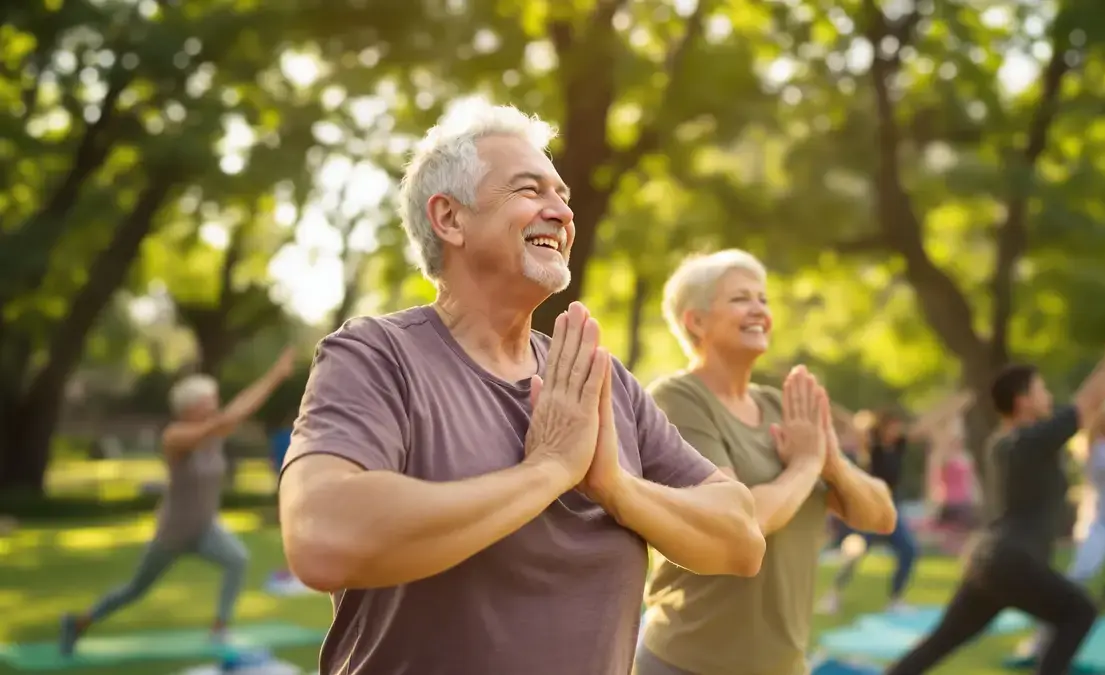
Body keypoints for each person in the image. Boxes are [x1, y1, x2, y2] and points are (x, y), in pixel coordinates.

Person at [277, 103, 764, 675]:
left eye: (563, 197)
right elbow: (324, 536)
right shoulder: (377, 356)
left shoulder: (596, 378)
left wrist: (615, 488)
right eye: (530, 190)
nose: (560, 212)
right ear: (450, 219)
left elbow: (741, 537)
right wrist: (549, 470)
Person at [635, 250, 896, 675]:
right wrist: (806, 466)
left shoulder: (782, 406)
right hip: (688, 663)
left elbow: (881, 516)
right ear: (695, 321)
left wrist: (833, 465)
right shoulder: (676, 400)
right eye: (741, 299)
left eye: (764, 299)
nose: (759, 308)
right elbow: (741, 523)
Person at [883, 318, 1105, 675]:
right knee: (1079, 612)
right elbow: (1090, 401)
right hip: (1010, 560)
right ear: (1023, 401)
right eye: (1042, 390)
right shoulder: (1030, 441)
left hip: (988, 560)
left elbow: (1091, 403)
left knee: (941, 642)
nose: (1049, 397)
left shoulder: (1003, 444)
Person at [59, 349, 296, 655]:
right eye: (209, 399)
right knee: (135, 590)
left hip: (206, 528)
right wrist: (255, 393)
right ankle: (78, 622)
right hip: (173, 531)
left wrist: (276, 375)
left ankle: (220, 627)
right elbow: (230, 416)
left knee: (238, 560)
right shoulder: (175, 436)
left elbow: (237, 410)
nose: (216, 402)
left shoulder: (215, 430)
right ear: (193, 406)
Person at [820, 393, 973, 614]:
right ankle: (833, 595)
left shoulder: (900, 443)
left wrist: (952, 407)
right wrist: (822, 399)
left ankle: (895, 599)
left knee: (909, 550)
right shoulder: (871, 444)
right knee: (857, 552)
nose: (897, 430)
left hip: (892, 508)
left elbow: (925, 424)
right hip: (869, 508)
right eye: (893, 426)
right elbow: (846, 419)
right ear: (883, 427)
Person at [1039, 366, 1105, 655]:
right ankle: (1044, 634)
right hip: (1102, 521)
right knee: (1080, 573)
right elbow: (1090, 410)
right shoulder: (1091, 445)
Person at [926, 415, 982, 555]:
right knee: (950, 535)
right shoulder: (942, 456)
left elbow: (972, 478)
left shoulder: (966, 456)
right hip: (948, 500)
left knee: (967, 534)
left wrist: (977, 495)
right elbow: (934, 478)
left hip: (965, 500)